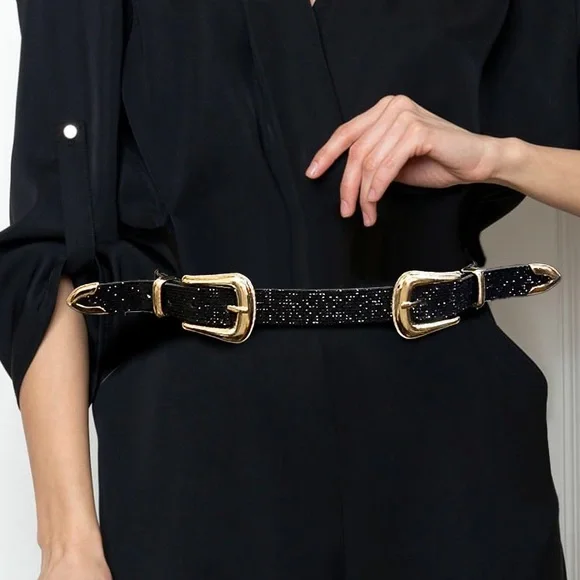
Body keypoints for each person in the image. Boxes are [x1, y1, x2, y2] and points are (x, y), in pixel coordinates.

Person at [1, 0, 577, 578]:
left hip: (459, 451)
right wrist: (66, 546)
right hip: (197, 460)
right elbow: (50, 253)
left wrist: (500, 157)